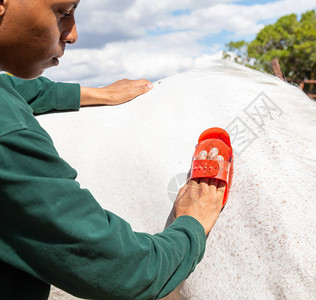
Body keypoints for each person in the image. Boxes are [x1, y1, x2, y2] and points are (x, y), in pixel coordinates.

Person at [0, 0, 225, 299]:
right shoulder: (8, 133)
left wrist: (96, 93)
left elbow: (15, 88)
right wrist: (192, 223)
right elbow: (124, 271)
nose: (72, 34)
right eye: (63, 12)